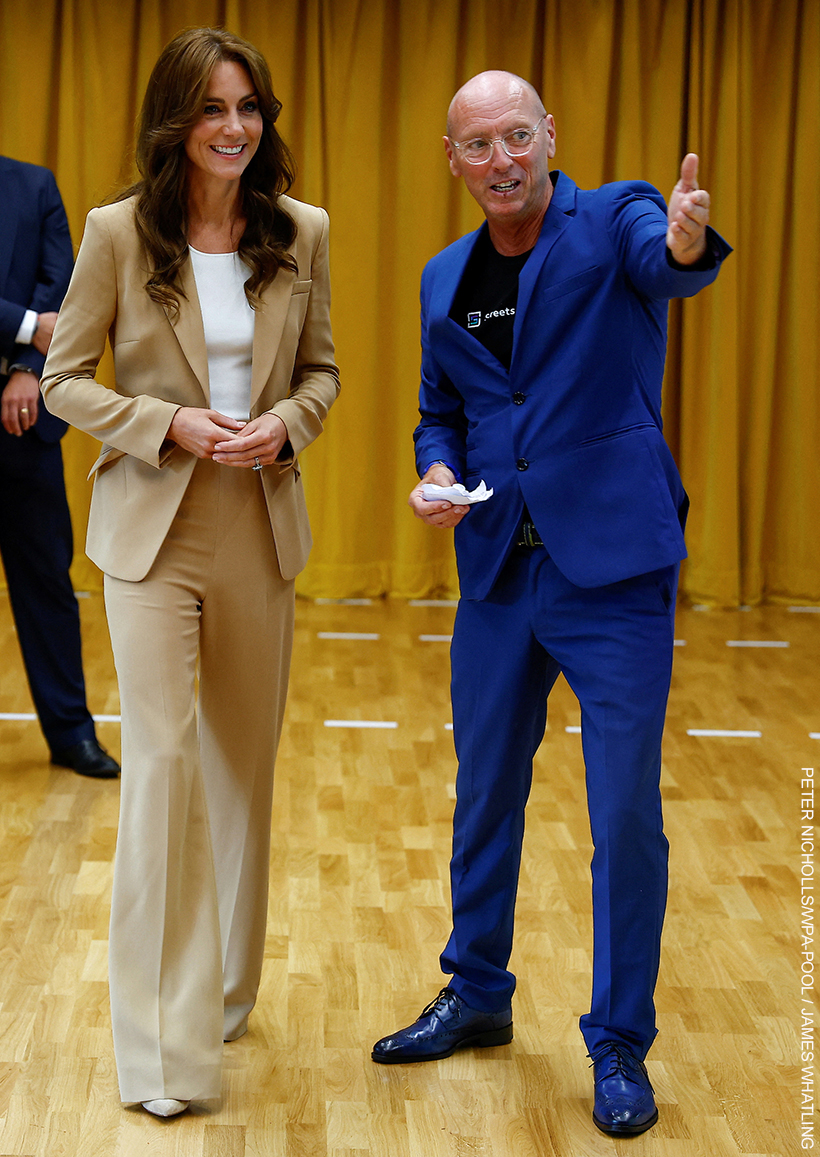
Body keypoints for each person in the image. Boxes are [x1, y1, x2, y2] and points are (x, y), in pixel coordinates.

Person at [371, 71, 731, 1137]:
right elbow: (443, 408)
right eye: (477, 145)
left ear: (548, 137)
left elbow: (664, 265)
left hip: (610, 571)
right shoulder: (444, 276)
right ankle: (477, 991)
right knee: (483, 793)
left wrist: (679, 240)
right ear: (453, 160)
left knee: (621, 811)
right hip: (494, 570)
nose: (500, 160)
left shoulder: (615, 215)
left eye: (516, 136)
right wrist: (435, 471)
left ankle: (617, 1037)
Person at [41, 28, 339, 1116]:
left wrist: (285, 427)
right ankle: (160, 1050)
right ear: (177, 121)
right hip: (151, 534)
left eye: (248, 106)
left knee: (241, 772)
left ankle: (219, 989)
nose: (234, 127)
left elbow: (322, 370)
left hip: (259, 529)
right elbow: (66, 378)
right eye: (212, 108)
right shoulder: (117, 233)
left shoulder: (298, 231)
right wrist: (168, 421)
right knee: (162, 771)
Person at [0, 155, 120, 778]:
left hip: (21, 421)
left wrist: (24, 370)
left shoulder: (34, 183)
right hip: (19, 367)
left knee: (47, 583)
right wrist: (24, 328)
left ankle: (72, 733)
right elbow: (39, 318)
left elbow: (63, 284)